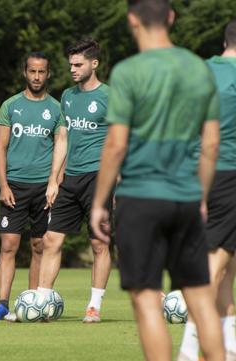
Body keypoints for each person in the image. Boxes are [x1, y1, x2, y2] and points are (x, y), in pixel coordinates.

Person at [90, 1, 224, 360]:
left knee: (148, 299)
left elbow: (116, 144)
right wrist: (201, 195)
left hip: (140, 198)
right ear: (171, 17)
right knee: (200, 297)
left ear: (132, 19)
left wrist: (100, 202)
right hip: (186, 197)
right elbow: (211, 143)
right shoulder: (198, 68)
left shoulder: (128, 72)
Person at [0, 52, 66, 321]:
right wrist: (3, 185)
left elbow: (61, 149)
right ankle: (2, 304)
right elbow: (0, 148)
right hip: (15, 187)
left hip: (44, 189)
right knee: (8, 245)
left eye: (41, 72)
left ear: (48, 74)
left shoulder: (56, 109)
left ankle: (34, 301)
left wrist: (55, 183)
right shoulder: (10, 105)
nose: (36, 76)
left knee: (39, 246)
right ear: (25, 72)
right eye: (32, 71)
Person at [37, 38, 112, 323]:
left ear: (94, 64)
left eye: (78, 64)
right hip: (71, 178)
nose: (73, 69)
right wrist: (54, 180)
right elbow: (63, 139)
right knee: (51, 239)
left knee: (98, 243)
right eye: (70, 64)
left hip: (99, 177)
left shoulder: (109, 97)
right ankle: (42, 300)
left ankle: (94, 306)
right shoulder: (67, 96)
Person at [179, 18, 236, 361]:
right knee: (215, 265)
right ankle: (189, 350)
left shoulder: (201, 70)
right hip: (230, 173)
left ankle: (229, 348)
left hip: (200, 172)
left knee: (227, 266)